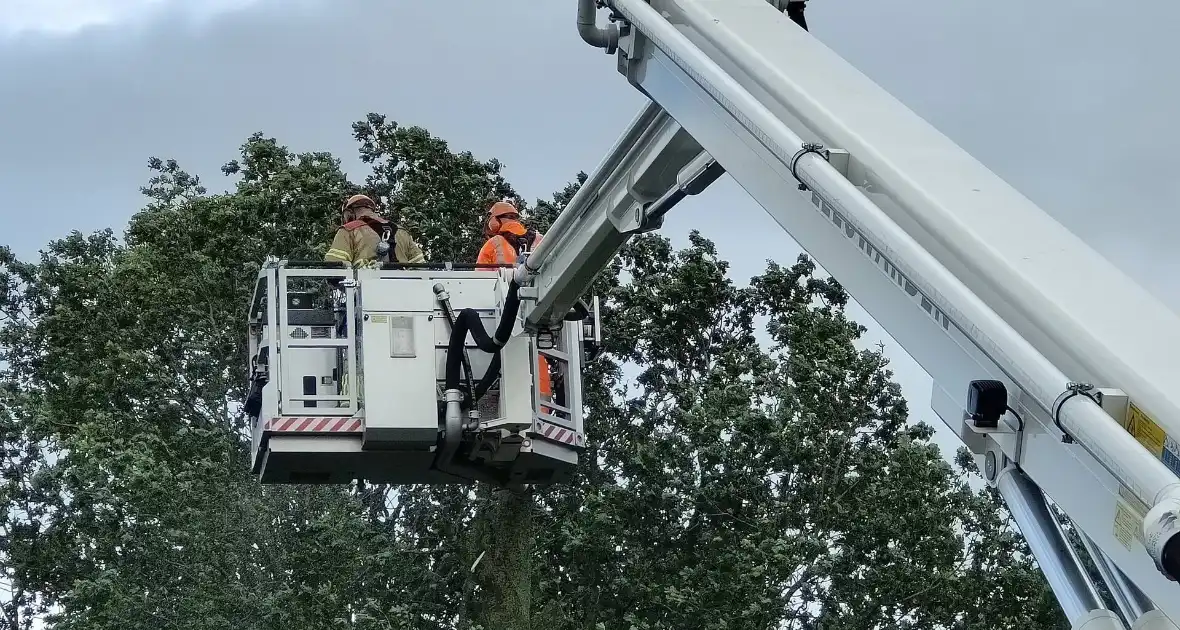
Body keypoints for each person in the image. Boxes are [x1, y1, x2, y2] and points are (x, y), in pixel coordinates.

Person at [475, 200, 554, 410]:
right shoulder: (541, 240)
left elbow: (478, 287)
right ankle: (542, 412)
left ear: (495, 221)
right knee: (538, 362)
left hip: (505, 319)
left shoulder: (493, 245)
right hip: (539, 314)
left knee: (503, 364)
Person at [325, 194, 426, 268]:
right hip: (408, 291)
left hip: (367, 291)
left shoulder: (349, 230)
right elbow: (421, 267)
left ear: (350, 213)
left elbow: (333, 266)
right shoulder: (401, 231)